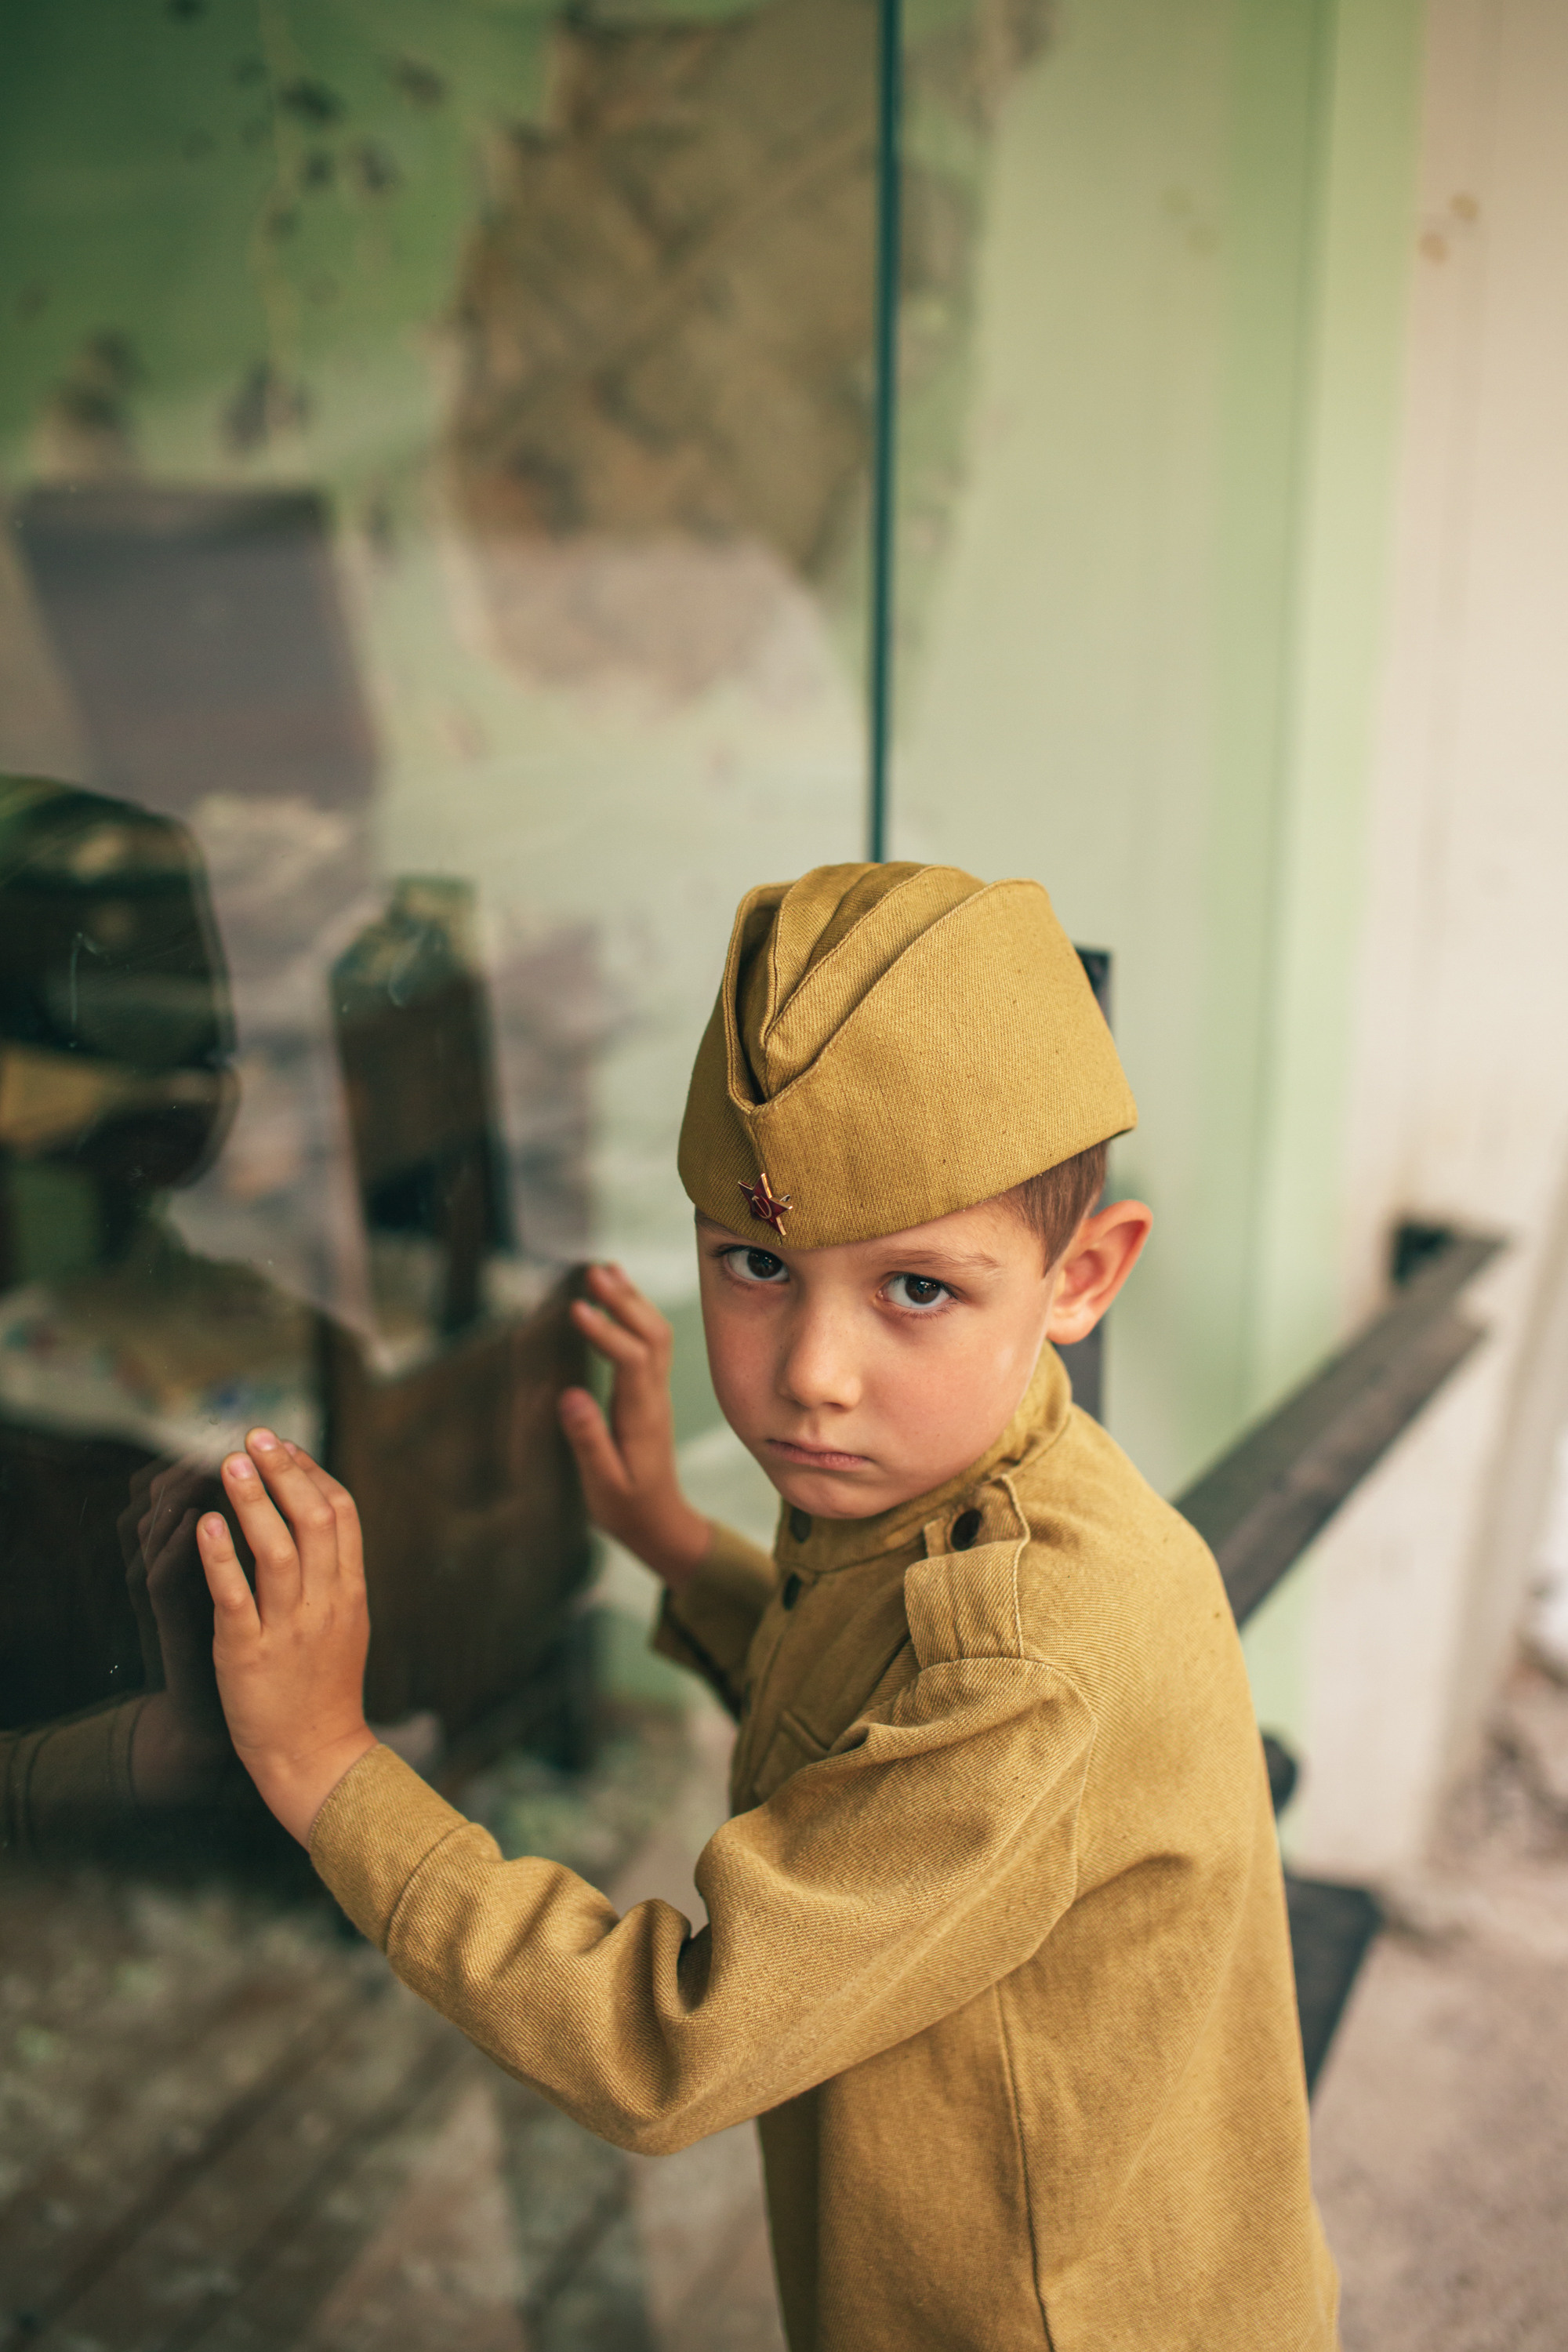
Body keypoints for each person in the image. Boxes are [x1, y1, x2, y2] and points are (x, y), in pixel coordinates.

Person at [194, 862, 1340, 2351]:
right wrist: (679, 1545)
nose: (812, 1370)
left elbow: (670, 2046)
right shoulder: (984, 1493)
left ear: (1085, 1277)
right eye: (755, 1264)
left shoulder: (1038, 1651)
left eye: (916, 1290)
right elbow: (890, 1732)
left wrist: (327, 1770)